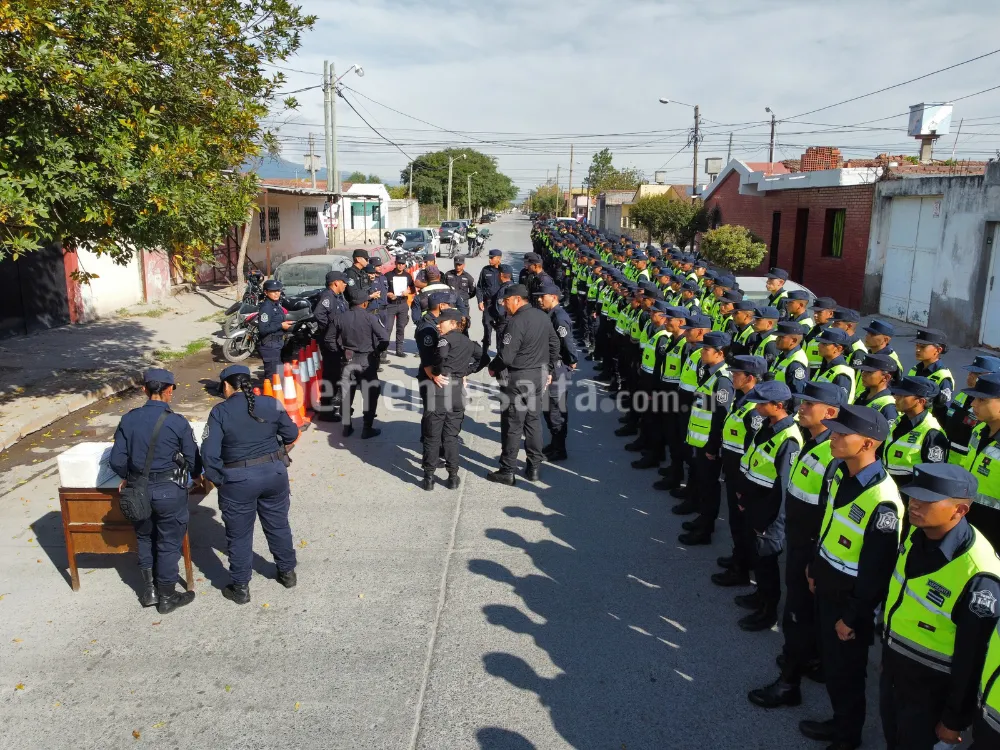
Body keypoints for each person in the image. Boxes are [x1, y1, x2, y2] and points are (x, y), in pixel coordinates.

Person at [801, 405, 902, 750]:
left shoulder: (883, 501)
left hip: (850, 601)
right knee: (833, 666)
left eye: (844, 434)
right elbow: (829, 523)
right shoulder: (840, 472)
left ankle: (847, 737)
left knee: (846, 673)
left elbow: (877, 571)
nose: (835, 438)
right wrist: (815, 566)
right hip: (828, 583)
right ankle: (839, 721)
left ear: (868, 444)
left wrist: (853, 617)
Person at [880, 463, 1000, 750]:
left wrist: (953, 719)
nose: (914, 504)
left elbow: (972, 658)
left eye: (927, 500)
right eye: (913, 496)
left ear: (960, 511)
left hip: (932, 690)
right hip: (897, 670)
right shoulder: (917, 534)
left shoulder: (979, 574)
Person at [748, 381, 843, 708]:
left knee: (797, 616)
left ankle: (789, 684)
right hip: (802, 544)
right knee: (802, 615)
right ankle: (805, 659)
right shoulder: (815, 442)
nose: (800, 408)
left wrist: (814, 560)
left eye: (808, 405)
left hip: (812, 550)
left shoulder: (832, 454)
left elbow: (830, 514)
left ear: (830, 413)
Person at [201, 364, 299, 605]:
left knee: (239, 535)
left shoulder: (220, 412)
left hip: (237, 480)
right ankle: (287, 573)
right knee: (278, 525)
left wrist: (219, 480)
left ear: (226, 386)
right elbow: (291, 433)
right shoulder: (270, 403)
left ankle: (241, 587)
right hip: (274, 474)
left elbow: (209, 454)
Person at [109, 368, 200, 614]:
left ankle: (149, 591)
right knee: (169, 543)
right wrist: (195, 476)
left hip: (138, 489)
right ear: (169, 390)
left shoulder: (128, 419)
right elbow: (193, 458)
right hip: (169, 490)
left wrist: (129, 478)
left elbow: (117, 459)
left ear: (144, 390)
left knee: (144, 537)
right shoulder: (176, 421)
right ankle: (168, 596)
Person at [736, 380, 803, 632]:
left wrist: (767, 520)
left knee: (767, 562)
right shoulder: (768, 426)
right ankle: (759, 596)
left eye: (762, 403)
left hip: (769, 514)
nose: (757, 406)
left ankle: (768, 611)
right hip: (755, 505)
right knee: (758, 559)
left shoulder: (789, 439)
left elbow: (783, 488)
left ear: (778, 406)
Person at [486, 284, 560, 485]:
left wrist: (493, 367)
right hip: (538, 376)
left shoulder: (516, 322)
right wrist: (550, 369)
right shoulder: (543, 317)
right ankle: (534, 467)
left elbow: (506, 356)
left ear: (517, 299)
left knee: (513, 423)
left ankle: (507, 470)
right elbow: (555, 344)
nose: (505, 305)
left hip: (518, 378)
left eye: (506, 301)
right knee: (533, 421)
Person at [712, 356, 767, 589]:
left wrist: (743, 487)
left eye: (737, 374)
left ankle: (741, 570)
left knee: (742, 524)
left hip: (743, 476)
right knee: (737, 523)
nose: (732, 377)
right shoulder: (744, 399)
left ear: (750, 378)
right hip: (734, 471)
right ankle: (739, 558)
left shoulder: (754, 410)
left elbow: (752, 449)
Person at [678, 331, 734, 545]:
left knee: (710, 486)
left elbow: (720, 417)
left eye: (706, 349)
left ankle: (705, 530)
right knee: (702, 482)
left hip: (709, 444)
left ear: (720, 353)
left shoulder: (722, 381)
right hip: (700, 441)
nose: (702, 352)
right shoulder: (711, 373)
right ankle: (702, 518)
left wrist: (712, 446)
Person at [421, 308, 484, 491]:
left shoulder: (445, 340)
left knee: (432, 436)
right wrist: (467, 371)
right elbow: (484, 358)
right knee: (451, 436)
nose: (439, 325)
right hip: (457, 392)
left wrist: (436, 372)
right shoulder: (469, 342)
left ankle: (429, 477)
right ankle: (453, 476)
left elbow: (440, 357)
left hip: (440, 390)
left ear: (453, 323)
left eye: (442, 321)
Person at [332, 286, 390, 438]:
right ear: (364, 303)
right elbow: (384, 338)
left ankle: (346, 427)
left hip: (347, 360)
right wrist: (377, 352)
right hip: (366, 360)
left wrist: (340, 352)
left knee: (346, 394)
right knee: (371, 394)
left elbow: (329, 339)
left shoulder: (340, 317)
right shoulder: (370, 318)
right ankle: (367, 427)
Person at [536, 279, 578, 462]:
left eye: (542, 297)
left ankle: (560, 449)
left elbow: (567, 344)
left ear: (553, 297)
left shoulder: (559, 317)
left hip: (559, 369)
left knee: (556, 410)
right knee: (548, 407)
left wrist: (572, 361)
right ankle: (555, 443)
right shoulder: (550, 314)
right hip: (551, 367)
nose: (539, 300)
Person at [883, 375, 949, 486]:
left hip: (910, 497)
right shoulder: (899, 421)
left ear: (921, 401)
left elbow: (933, 476)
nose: (896, 397)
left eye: (903, 395)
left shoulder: (932, 433)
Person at [961, 372, 1000, 547]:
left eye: (982, 400)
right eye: (975, 398)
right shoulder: (979, 430)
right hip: (969, 520)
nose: (973, 403)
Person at [945, 355, 1000, 465]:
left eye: (978, 374)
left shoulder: (990, 415)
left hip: (962, 462)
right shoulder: (962, 395)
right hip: (949, 457)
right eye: (971, 372)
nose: (971, 376)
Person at [313, 271, 349, 419]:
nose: (345, 284)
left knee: (334, 374)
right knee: (330, 375)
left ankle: (329, 403)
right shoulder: (328, 297)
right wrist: (330, 329)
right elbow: (318, 314)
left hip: (336, 341)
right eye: (343, 282)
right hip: (330, 342)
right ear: (335, 283)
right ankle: (325, 411)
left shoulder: (337, 297)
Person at [908, 328, 955, 425]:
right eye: (917, 345)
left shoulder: (943, 376)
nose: (917, 349)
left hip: (926, 426)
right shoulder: (914, 370)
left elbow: (942, 410)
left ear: (938, 350)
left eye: (923, 347)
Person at [258, 279, 293, 382]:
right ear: (266, 292)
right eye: (273, 291)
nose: (277, 293)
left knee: (280, 376)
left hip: (277, 344)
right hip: (269, 345)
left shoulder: (276, 304)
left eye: (278, 290)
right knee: (273, 378)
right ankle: (270, 397)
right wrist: (281, 325)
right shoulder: (266, 307)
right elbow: (263, 329)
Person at [854, 351, 900, 426]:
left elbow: (888, 435)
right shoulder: (860, 395)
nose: (863, 374)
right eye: (863, 370)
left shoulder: (889, 404)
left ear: (886, 377)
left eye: (869, 372)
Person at [813, 327, 856, 404]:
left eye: (824, 344)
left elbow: (839, 404)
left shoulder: (842, 372)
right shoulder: (826, 365)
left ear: (838, 348)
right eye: (820, 342)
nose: (819, 345)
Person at [384, 255, 416, 358]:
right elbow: (383, 289)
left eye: (403, 264)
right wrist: (388, 294)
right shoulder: (388, 275)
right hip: (390, 305)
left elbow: (413, 289)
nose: (401, 266)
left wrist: (408, 291)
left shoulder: (407, 276)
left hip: (403, 304)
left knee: (401, 327)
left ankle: (399, 349)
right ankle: (383, 350)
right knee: (388, 328)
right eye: (399, 263)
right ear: (395, 263)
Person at [769, 320, 809, 394]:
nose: (777, 339)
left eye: (781, 337)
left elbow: (797, 394)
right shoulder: (783, 355)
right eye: (778, 336)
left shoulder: (796, 364)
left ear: (793, 341)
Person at [477, 249, 504, 352]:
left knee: (500, 329)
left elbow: (510, 287)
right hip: (488, 304)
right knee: (487, 327)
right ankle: (485, 351)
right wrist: (480, 301)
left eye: (492, 258)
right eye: (489, 258)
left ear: (499, 258)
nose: (490, 260)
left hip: (500, 305)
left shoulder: (503, 270)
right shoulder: (485, 270)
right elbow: (479, 287)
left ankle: (499, 352)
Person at [805, 297, 838, 375]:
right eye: (815, 312)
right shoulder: (812, 329)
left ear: (830, 313)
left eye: (819, 312)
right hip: (807, 371)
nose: (815, 315)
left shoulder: (833, 333)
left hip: (819, 373)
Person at [444, 255, 477, 333]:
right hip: (451, 305)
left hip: (463, 306)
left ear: (464, 265)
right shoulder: (448, 275)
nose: (458, 267)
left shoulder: (468, 277)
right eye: (456, 264)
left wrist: (464, 298)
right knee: (450, 326)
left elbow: (473, 291)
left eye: (460, 265)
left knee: (464, 326)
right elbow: (443, 288)